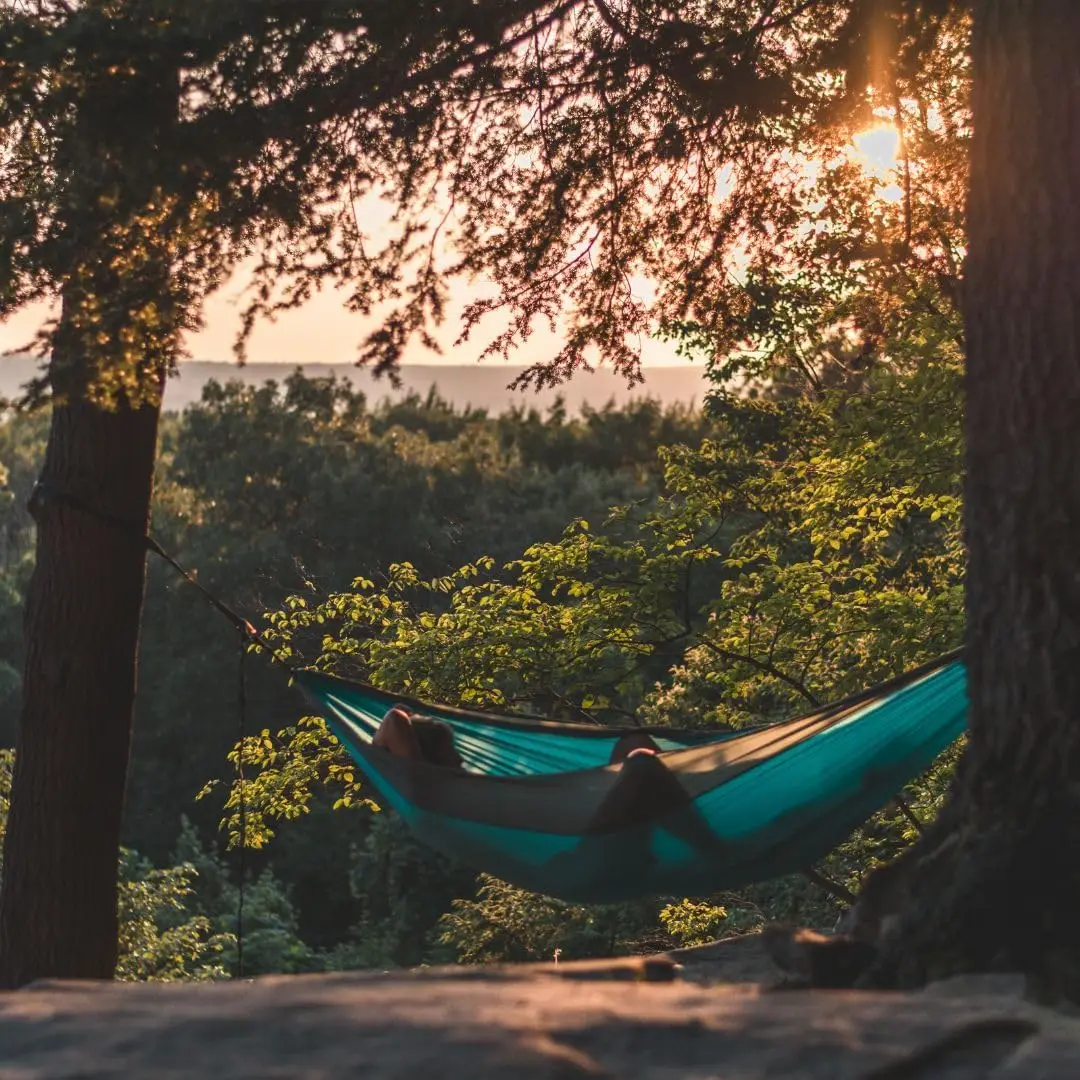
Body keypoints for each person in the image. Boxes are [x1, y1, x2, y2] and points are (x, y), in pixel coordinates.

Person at [372, 704, 660, 769]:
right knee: (641, 762)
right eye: (450, 750)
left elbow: (399, 714)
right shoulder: (430, 787)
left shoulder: (452, 783)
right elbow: (395, 718)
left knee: (634, 743)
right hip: (577, 832)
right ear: (432, 757)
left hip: (577, 800)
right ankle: (703, 847)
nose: (460, 757)